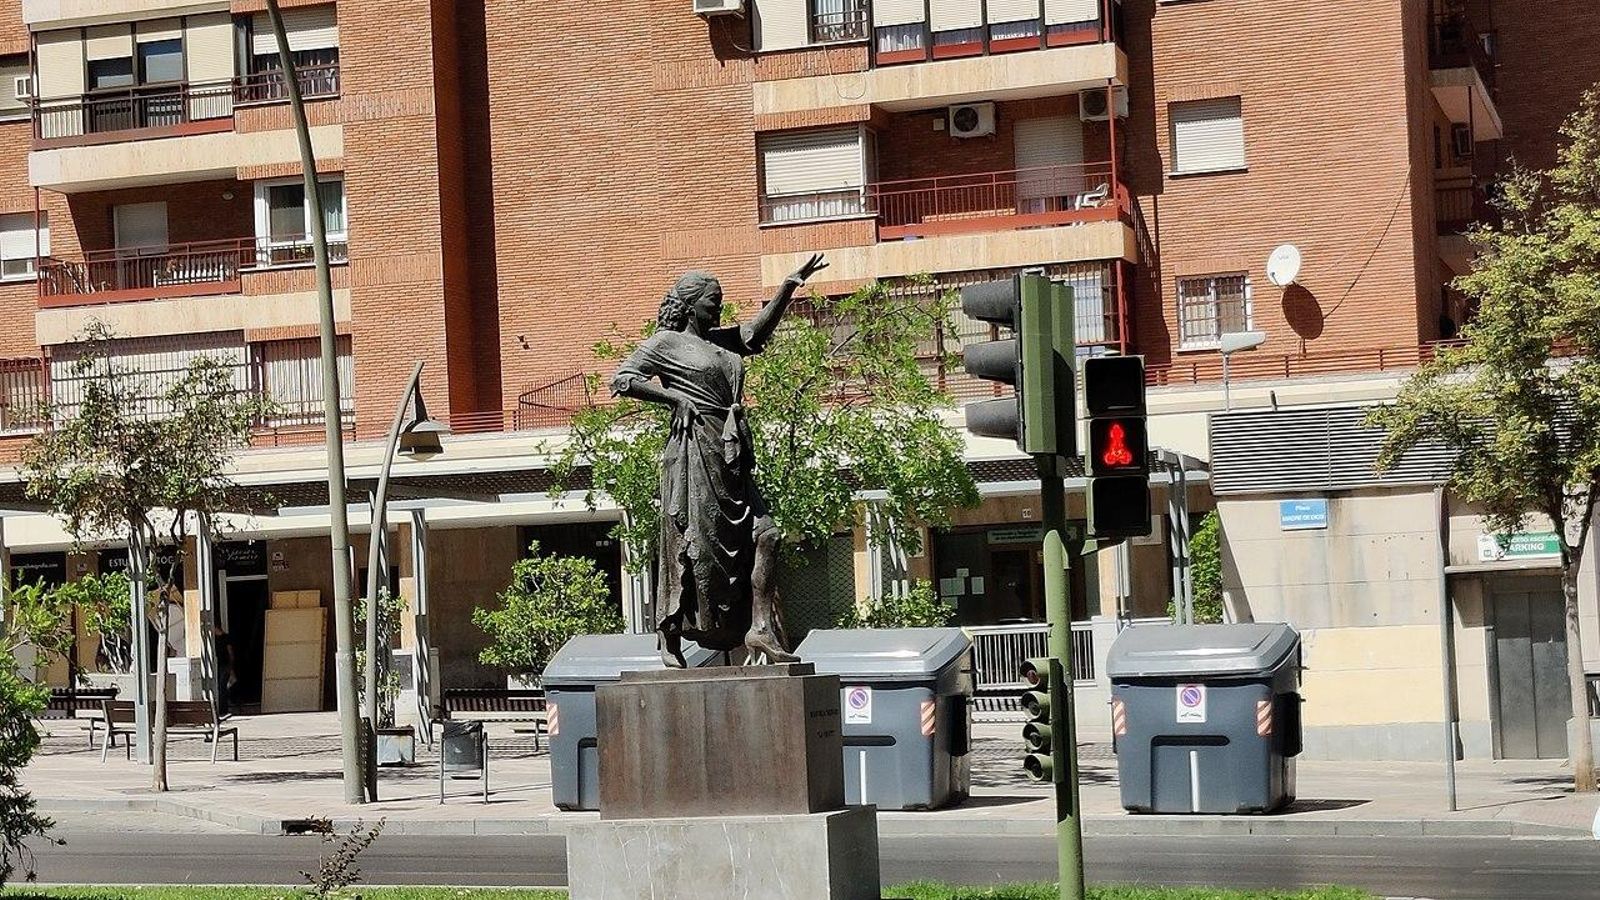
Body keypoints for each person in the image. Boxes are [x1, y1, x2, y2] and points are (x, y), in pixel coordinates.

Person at [613, 253, 829, 666]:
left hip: (731, 453)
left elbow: (755, 333)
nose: (719, 308)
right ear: (689, 305)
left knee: (767, 534)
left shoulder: (718, 342)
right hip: (694, 450)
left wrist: (787, 287)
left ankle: (760, 629)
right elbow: (623, 379)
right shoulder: (664, 343)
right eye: (713, 301)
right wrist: (673, 397)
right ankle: (671, 632)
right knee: (694, 543)